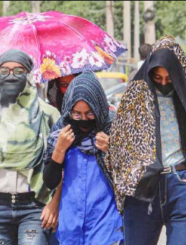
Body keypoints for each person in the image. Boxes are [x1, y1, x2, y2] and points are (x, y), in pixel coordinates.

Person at [105, 36, 186, 245]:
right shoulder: (134, 98)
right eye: (158, 78)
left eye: (169, 78)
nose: (164, 84)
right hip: (143, 188)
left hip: (183, 185)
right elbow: (120, 145)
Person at [0, 49, 61, 245]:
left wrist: (55, 204)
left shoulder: (48, 116)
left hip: (36, 206)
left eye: (19, 70)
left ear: (29, 75)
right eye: (5, 71)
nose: (11, 76)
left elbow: (61, 166)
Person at [43, 71, 123, 245]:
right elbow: (49, 181)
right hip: (70, 225)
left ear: (99, 107)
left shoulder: (114, 128)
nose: (83, 120)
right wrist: (59, 151)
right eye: (77, 114)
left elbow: (132, 173)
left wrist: (113, 150)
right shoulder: (62, 131)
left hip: (105, 224)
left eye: (90, 114)